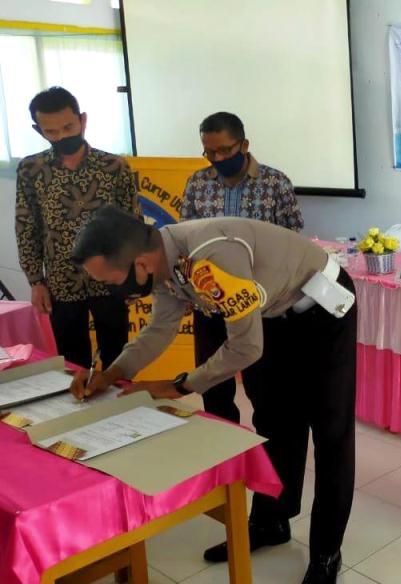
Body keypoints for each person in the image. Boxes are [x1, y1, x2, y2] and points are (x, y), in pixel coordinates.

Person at [68, 205, 357, 584]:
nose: (110, 290)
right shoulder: (166, 262)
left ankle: (326, 553)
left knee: (330, 430)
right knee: (273, 418)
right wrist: (113, 374)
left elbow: (244, 349)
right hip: (273, 313)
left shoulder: (212, 254)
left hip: (322, 308)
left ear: (139, 264)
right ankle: (272, 521)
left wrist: (178, 386)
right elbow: (159, 330)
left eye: (110, 280)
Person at [180, 111, 304, 424]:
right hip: (210, 307)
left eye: (225, 150)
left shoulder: (275, 183)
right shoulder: (197, 184)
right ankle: (227, 459)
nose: (218, 158)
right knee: (215, 393)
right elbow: (186, 243)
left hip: (260, 310)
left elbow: (292, 246)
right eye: (210, 152)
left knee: (265, 394)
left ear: (244, 145)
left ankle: (268, 462)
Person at [15, 86, 138, 368]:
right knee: (72, 362)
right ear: (39, 130)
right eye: (51, 131)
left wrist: (132, 275)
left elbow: (132, 223)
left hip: (111, 278)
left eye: (68, 127)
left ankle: (121, 410)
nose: (62, 136)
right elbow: (26, 227)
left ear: (82, 120)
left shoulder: (113, 166)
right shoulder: (31, 170)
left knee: (118, 358)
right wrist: (36, 281)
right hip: (61, 280)